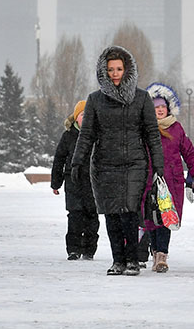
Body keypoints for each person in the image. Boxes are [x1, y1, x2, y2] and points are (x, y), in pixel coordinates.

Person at [70, 45, 165, 276]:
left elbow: (152, 133)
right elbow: (87, 134)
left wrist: (158, 164)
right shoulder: (95, 100)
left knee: (130, 211)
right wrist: (77, 161)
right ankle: (117, 260)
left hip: (135, 164)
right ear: (104, 71)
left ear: (127, 70)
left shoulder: (141, 98)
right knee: (111, 213)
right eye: (110, 69)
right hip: (104, 165)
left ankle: (132, 259)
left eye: (119, 69)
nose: (115, 73)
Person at [140, 83, 194, 273]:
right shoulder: (144, 128)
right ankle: (155, 251)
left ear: (168, 109)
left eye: (162, 107)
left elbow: (190, 153)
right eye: (155, 107)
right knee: (151, 219)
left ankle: (162, 255)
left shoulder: (176, 128)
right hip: (148, 180)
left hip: (171, 181)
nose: (159, 110)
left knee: (167, 218)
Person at [51, 100, 98, 261]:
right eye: (82, 115)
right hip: (73, 181)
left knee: (92, 216)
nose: (85, 118)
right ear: (76, 117)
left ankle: (89, 249)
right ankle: (73, 249)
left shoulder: (97, 135)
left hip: (93, 182)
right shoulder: (68, 136)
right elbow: (59, 159)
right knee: (75, 215)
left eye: (88, 115)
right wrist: (56, 183)